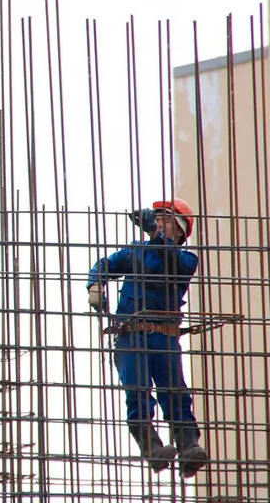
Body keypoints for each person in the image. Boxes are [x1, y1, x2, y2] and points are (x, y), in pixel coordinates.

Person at [86, 198, 209, 478]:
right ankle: (152, 449)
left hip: (164, 338)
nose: (158, 223)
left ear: (180, 231)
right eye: (157, 219)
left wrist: (155, 234)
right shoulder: (135, 252)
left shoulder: (185, 259)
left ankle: (188, 447)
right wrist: (96, 283)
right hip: (131, 336)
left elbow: (172, 259)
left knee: (174, 392)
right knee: (138, 393)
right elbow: (106, 264)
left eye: (165, 220)